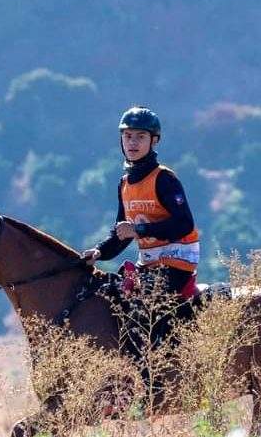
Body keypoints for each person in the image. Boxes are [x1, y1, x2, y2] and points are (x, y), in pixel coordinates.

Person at [82, 106, 201, 296]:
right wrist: (99, 252)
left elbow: (184, 224)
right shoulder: (124, 184)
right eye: (128, 136)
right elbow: (122, 232)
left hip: (177, 264)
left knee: (139, 309)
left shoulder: (164, 179)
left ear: (154, 141)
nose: (133, 142)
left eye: (140, 136)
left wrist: (140, 230)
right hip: (148, 266)